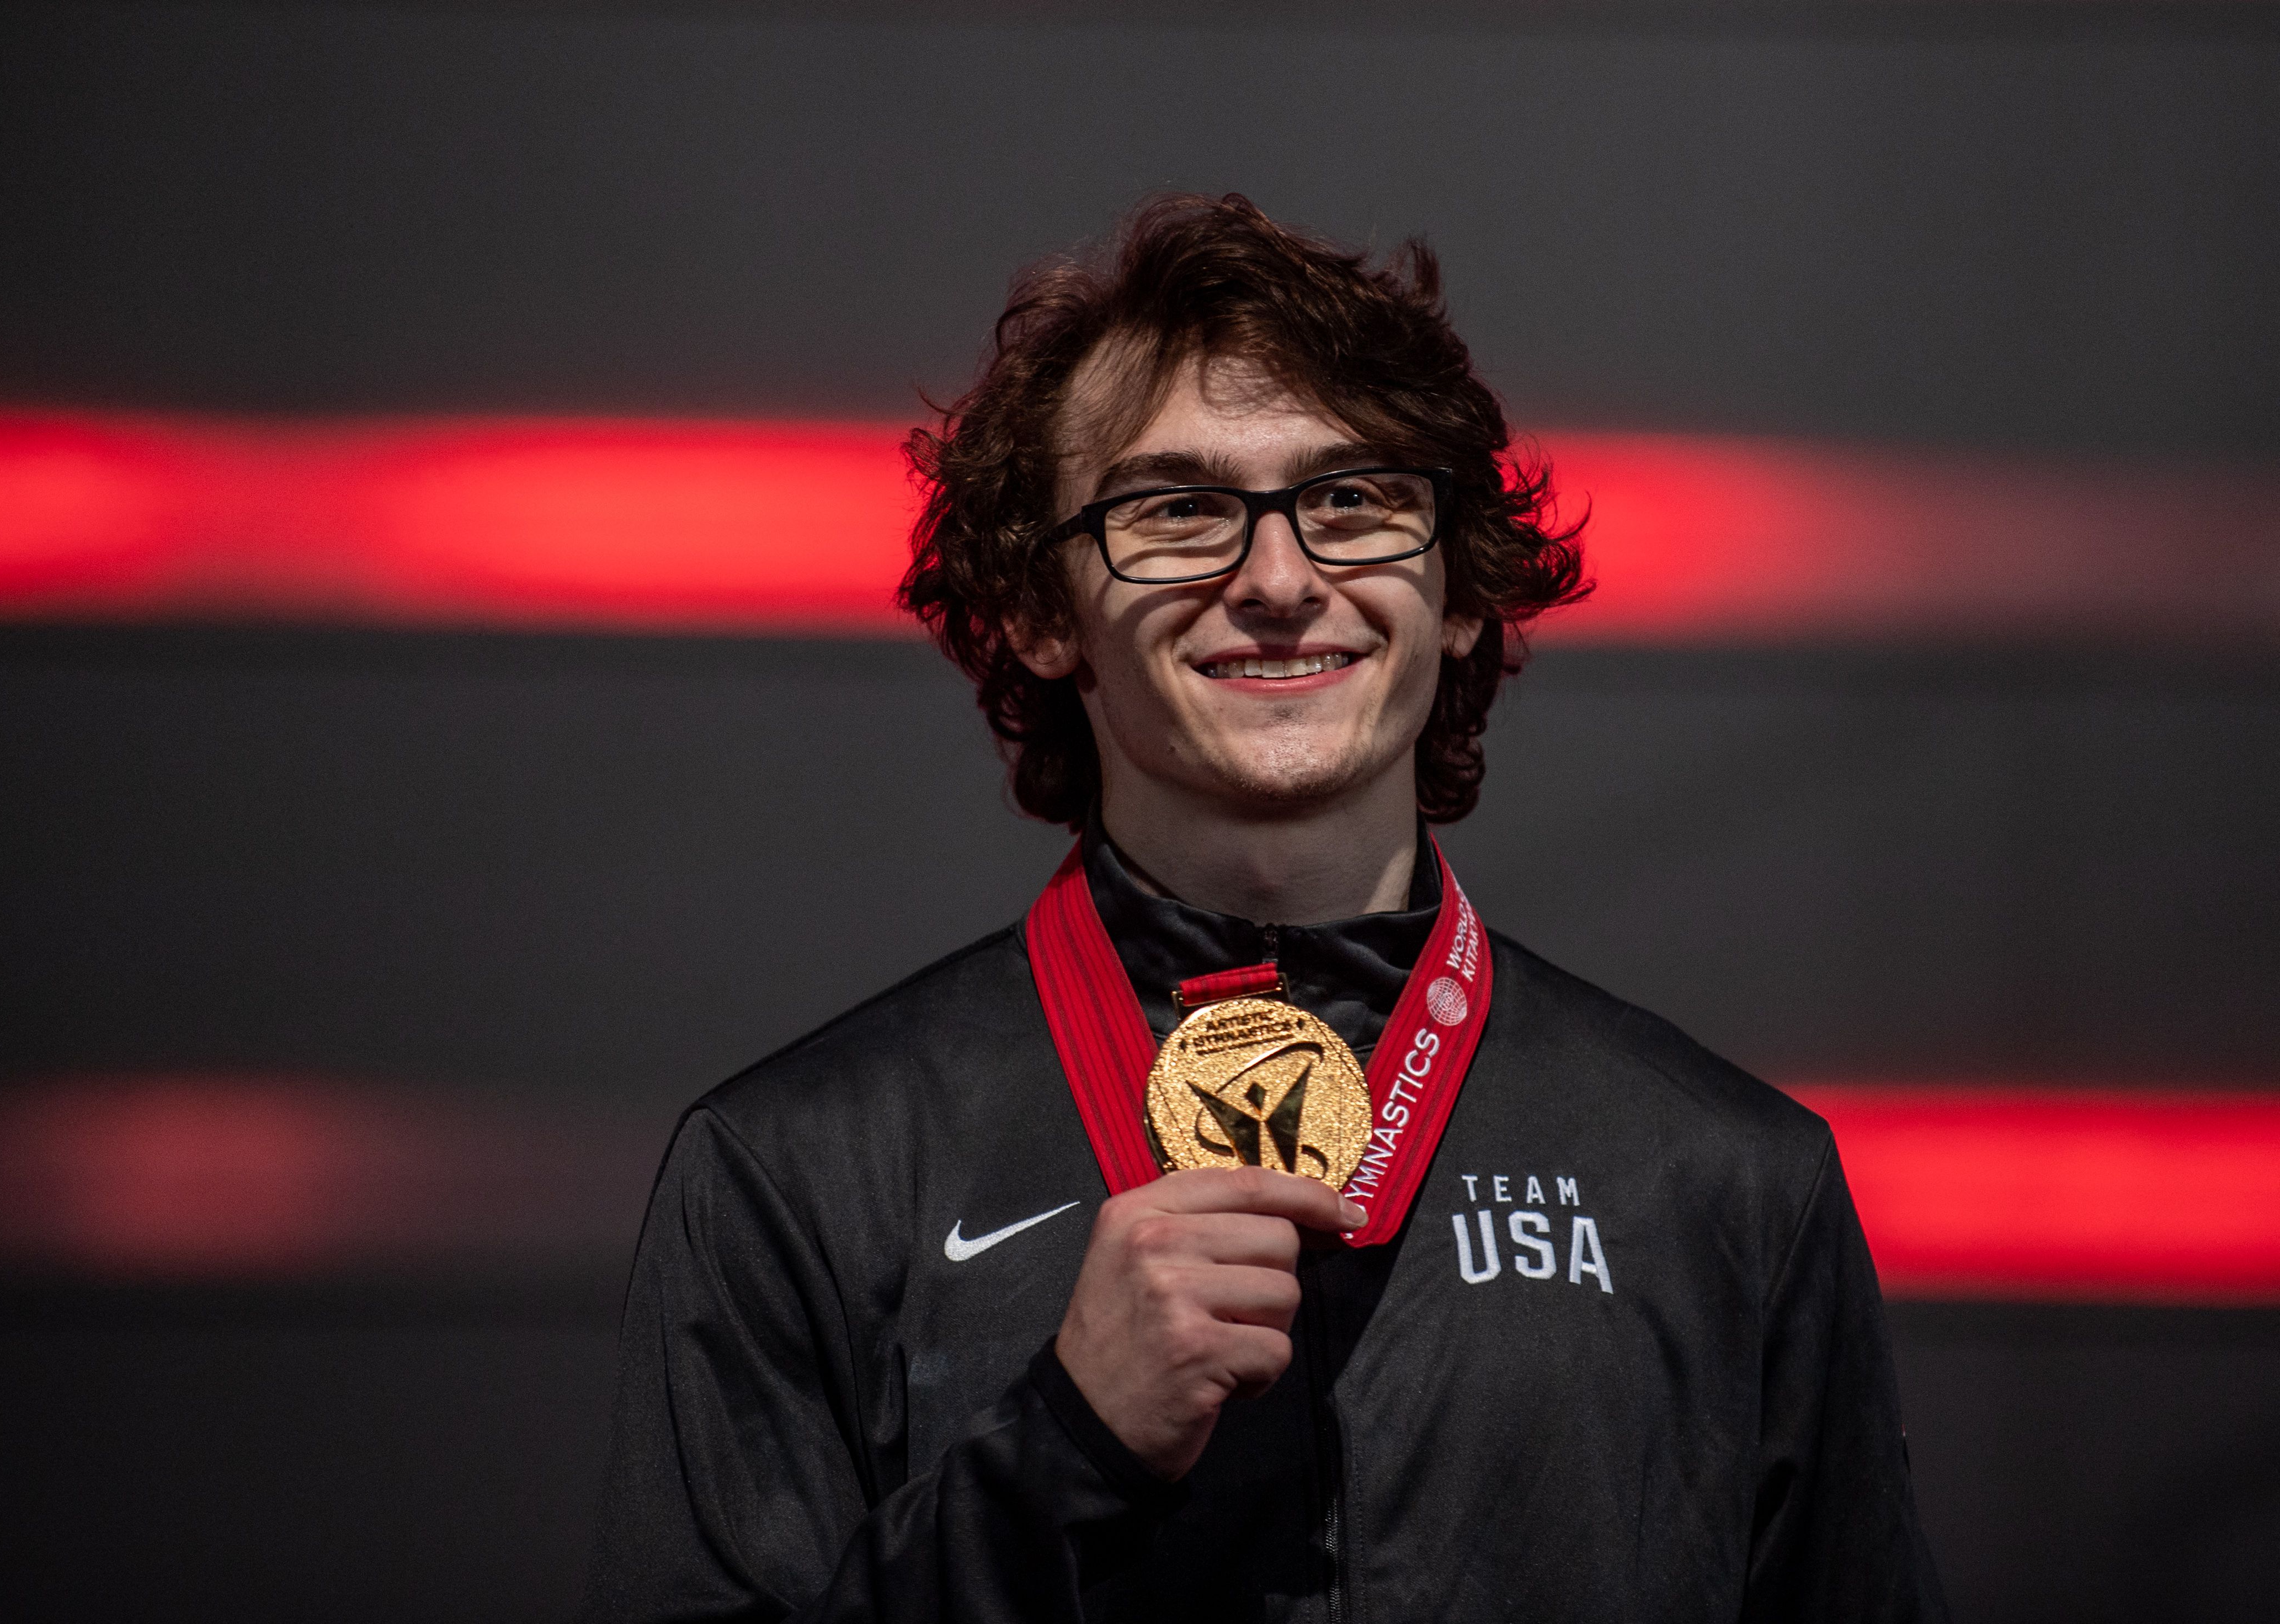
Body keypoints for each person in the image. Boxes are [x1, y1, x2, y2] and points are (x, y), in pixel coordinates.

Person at [583, 194, 1947, 1623]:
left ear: (1459, 588)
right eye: (1176, 511)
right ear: (1043, 611)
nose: (1282, 581)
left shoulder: (1727, 1183)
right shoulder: (799, 1176)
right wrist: (1062, 1445)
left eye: (1353, 500)